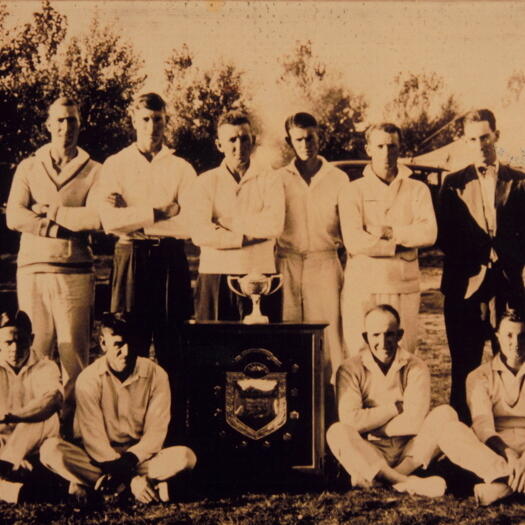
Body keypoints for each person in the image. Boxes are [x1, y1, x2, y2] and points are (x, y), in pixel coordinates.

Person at [326, 305, 514, 500]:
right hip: (369, 448)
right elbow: (351, 420)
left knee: (445, 413)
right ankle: (404, 482)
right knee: (337, 431)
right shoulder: (349, 369)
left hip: (410, 451)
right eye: (375, 335)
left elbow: (414, 422)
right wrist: (394, 408)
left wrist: (371, 426)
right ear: (365, 337)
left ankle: (385, 478)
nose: (383, 342)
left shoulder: (416, 366)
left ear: (400, 335)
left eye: (389, 334)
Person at [6, 96, 101, 432]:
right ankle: (32, 432)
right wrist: (57, 226)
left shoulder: (94, 170)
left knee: (75, 357)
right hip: (33, 271)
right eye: (59, 121)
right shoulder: (29, 166)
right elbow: (15, 215)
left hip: (75, 272)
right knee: (35, 354)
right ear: (48, 125)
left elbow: (96, 218)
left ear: (80, 123)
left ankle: (73, 431)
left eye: (72, 120)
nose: (65, 128)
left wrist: (51, 211)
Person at [40, 312, 197, 504]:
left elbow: (156, 432)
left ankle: (100, 486)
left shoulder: (156, 374)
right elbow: (92, 437)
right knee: (51, 449)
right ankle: (139, 487)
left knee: (185, 457)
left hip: (140, 459)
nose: (127, 351)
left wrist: (130, 461)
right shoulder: (88, 379)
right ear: (103, 343)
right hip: (98, 459)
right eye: (118, 344)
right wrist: (129, 477)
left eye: (133, 343)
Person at [96, 92, 196, 371]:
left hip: (170, 259)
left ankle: (171, 416)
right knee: (127, 343)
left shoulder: (182, 168)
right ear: (133, 120)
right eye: (145, 119)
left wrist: (133, 216)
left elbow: (189, 225)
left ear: (167, 121)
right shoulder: (116, 164)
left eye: (158, 120)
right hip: (130, 257)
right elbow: (110, 222)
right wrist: (159, 212)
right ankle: (126, 414)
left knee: (174, 347)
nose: (152, 127)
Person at [438, 109, 525, 423]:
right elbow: (444, 237)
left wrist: (504, 257)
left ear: (496, 136)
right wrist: (483, 255)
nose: (480, 145)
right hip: (465, 287)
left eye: (485, 137)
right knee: (465, 365)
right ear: (465, 141)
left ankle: (510, 436)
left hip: (511, 288)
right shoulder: (452, 183)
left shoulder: (519, 181)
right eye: (472, 139)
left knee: (513, 363)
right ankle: (460, 442)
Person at [340, 123, 436, 357]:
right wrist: (401, 245)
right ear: (368, 149)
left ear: (400, 147)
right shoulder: (353, 191)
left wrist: (388, 231)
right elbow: (354, 242)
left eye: (391, 146)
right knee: (360, 355)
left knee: (402, 354)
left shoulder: (418, 189)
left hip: (403, 286)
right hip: (363, 285)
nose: (386, 152)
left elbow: (429, 234)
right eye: (380, 146)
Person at [191, 110, 285, 321]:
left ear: (253, 140)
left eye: (244, 138)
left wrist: (226, 223)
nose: (239, 145)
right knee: (214, 349)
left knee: (257, 350)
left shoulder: (270, 178)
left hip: (260, 276)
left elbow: (274, 225)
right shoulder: (205, 182)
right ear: (219, 144)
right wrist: (245, 237)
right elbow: (200, 233)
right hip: (215, 276)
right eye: (231, 139)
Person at [276, 112, 348, 385]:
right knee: (289, 335)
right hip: (288, 263)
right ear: (289, 141)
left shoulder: (338, 178)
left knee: (331, 339)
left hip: (325, 262)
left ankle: (334, 406)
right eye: (299, 139)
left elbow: (347, 228)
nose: (306, 144)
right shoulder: (279, 178)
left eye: (311, 137)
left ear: (320, 137)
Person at [0, 311, 62, 503]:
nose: (15, 348)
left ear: (32, 339)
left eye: (22, 341)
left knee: (37, 414)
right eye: (8, 342)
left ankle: (6, 466)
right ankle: (16, 492)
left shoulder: (46, 366)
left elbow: (52, 402)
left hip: (38, 441)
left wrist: (16, 417)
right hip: (3, 440)